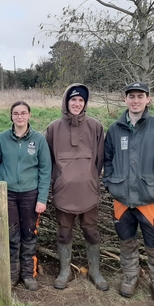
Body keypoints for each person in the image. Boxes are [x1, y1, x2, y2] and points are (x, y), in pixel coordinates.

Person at [103, 82, 154, 306]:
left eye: (140, 96)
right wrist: (110, 183)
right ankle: (130, 277)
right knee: (126, 243)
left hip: (149, 199)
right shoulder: (115, 129)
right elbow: (107, 160)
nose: (135, 100)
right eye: (131, 96)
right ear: (124, 99)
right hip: (121, 199)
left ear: (148, 99)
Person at [45, 83, 108, 291]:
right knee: (64, 232)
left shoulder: (96, 127)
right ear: (66, 101)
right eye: (73, 100)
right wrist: (59, 181)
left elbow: (100, 160)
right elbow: (48, 161)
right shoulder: (53, 128)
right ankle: (64, 271)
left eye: (81, 100)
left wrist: (89, 178)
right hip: (63, 194)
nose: (77, 104)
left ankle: (95, 271)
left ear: (85, 103)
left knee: (91, 231)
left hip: (88, 193)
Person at [0, 101, 52, 291]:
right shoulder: (1, 139)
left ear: (29, 115)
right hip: (7, 194)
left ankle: (28, 274)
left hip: (30, 194)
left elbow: (45, 170)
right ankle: (12, 274)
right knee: (11, 234)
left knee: (29, 234)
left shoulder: (39, 140)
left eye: (23, 113)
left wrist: (42, 198)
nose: (19, 116)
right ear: (11, 116)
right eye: (16, 113)